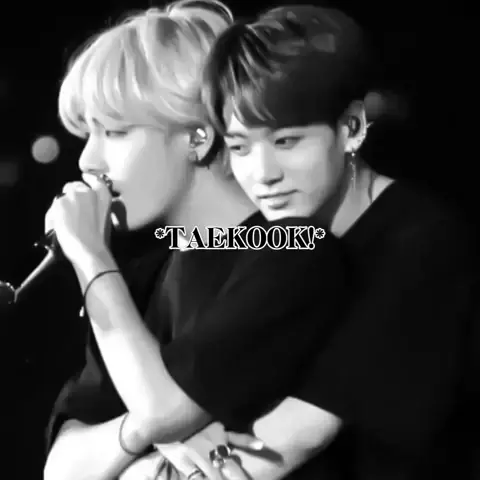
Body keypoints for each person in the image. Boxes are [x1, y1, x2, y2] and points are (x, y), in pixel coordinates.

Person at [137, 4, 478, 480]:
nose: (262, 174)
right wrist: (170, 428)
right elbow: (153, 399)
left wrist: (161, 446)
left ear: (351, 127)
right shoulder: (253, 241)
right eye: (240, 147)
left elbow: (285, 445)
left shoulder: (421, 244)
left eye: (286, 141)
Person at [42, 1, 352, 479]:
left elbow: (163, 410)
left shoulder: (295, 254)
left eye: (115, 132)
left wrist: (90, 256)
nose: (88, 161)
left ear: (198, 138)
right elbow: (62, 469)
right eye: (90, 134)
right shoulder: (138, 280)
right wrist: (136, 435)